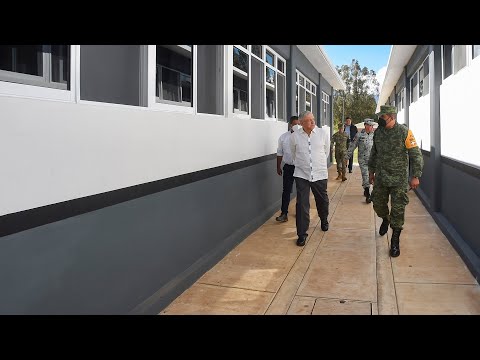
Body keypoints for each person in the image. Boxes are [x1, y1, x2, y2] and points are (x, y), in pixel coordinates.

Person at [368, 105, 423, 257]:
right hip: (381, 177)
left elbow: (415, 155)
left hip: (399, 179)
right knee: (378, 204)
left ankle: (395, 240)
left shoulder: (404, 132)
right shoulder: (378, 132)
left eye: (383, 117)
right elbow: (374, 152)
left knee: (398, 210)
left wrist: (416, 175)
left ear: (392, 117)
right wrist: (371, 171)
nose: (380, 120)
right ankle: (385, 219)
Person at [290, 111, 330, 247]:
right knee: (302, 204)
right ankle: (301, 234)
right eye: (308, 120)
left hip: (319, 173)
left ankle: (324, 219)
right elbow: (293, 154)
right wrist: (304, 165)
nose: (312, 122)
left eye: (313, 119)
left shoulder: (322, 134)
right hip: (302, 173)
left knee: (322, 200)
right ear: (301, 123)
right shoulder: (295, 136)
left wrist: (318, 165)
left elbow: (326, 151)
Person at [275, 115, 300, 222]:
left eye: (298, 124)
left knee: (301, 191)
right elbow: (280, 153)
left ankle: (300, 212)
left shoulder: (303, 137)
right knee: (286, 191)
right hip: (288, 168)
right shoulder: (283, 137)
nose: (296, 126)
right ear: (290, 125)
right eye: (294, 124)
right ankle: (284, 213)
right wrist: (278, 167)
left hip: (300, 167)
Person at [345, 119, 375, 203]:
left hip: (373, 161)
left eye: (372, 126)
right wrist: (346, 157)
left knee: (372, 177)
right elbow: (352, 146)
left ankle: (368, 190)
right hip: (363, 160)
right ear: (365, 125)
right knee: (365, 176)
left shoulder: (375, 135)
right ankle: (367, 193)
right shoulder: (359, 135)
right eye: (369, 125)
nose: (371, 127)